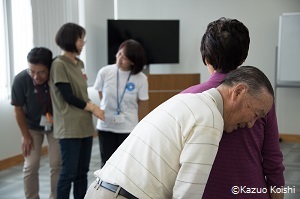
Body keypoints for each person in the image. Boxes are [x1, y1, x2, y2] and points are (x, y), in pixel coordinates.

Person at [84, 65, 275, 199]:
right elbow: (187, 195)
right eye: (255, 113)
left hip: (100, 189)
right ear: (239, 92)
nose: (252, 124)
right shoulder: (210, 119)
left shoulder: (186, 100)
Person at [181, 17, 284, 199]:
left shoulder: (187, 98)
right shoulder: (261, 97)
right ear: (243, 57)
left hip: (203, 193)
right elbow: (273, 158)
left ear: (206, 57)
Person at [49, 23, 104, 199]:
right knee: (69, 173)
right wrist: (93, 107)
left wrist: (93, 108)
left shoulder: (79, 63)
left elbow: (82, 93)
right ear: (70, 39)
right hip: (69, 128)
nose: (83, 42)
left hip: (84, 126)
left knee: (82, 172)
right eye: (80, 39)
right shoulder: (59, 64)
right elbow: (68, 96)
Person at [11, 47, 61, 199]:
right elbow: (18, 110)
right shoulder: (21, 80)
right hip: (32, 127)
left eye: (41, 72)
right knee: (30, 166)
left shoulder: (57, 76)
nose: (35, 76)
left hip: (56, 126)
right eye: (32, 71)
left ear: (49, 68)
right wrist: (25, 136)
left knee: (56, 165)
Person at [93, 39, 149, 167]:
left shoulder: (141, 78)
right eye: (119, 54)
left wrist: (142, 128)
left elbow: (143, 104)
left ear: (133, 61)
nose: (119, 59)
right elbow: (101, 94)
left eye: (124, 58)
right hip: (106, 126)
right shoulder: (105, 72)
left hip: (128, 127)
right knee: (106, 164)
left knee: (125, 165)